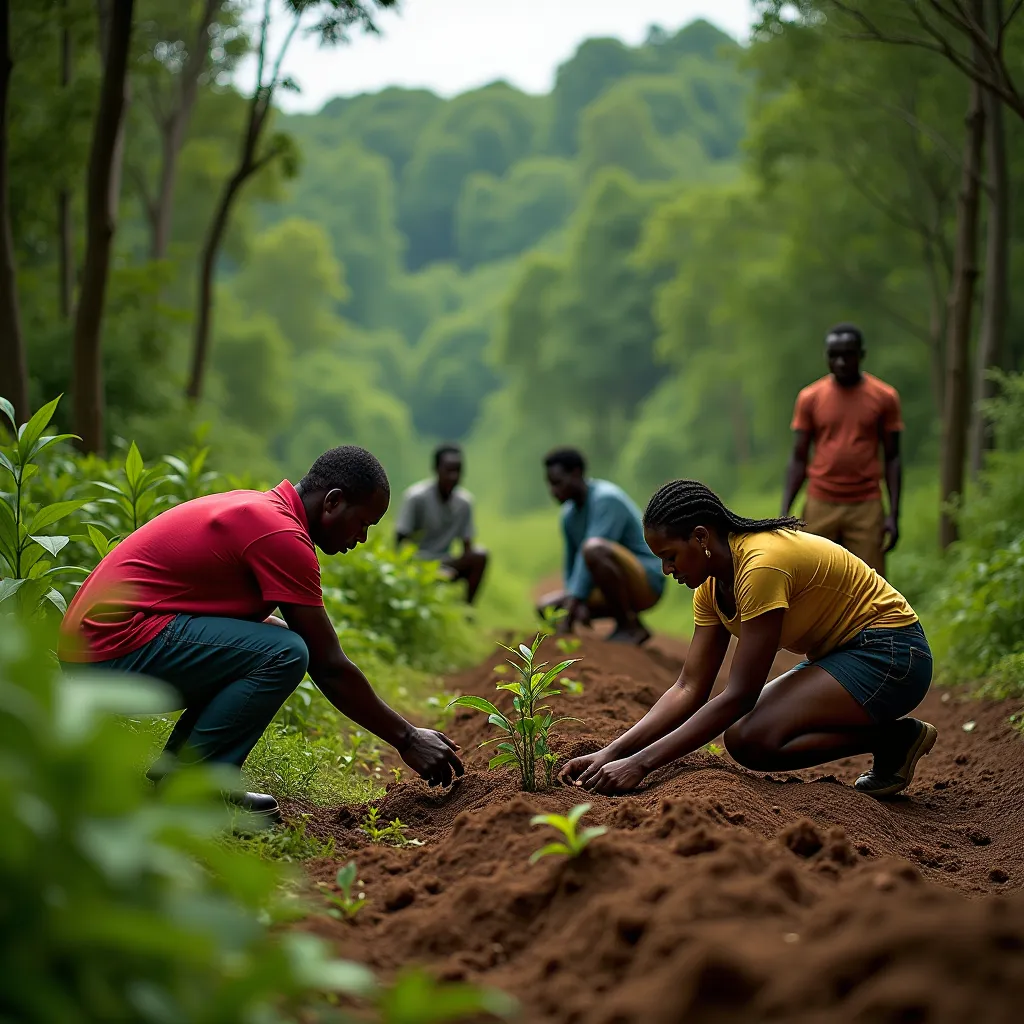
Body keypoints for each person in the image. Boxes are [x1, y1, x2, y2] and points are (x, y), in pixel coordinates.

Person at [58, 446, 464, 818]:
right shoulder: (281, 535)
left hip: (101, 646)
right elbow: (329, 666)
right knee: (285, 651)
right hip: (109, 652)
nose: (361, 537)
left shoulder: (263, 511)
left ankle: (183, 777)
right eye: (362, 523)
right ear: (333, 501)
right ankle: (196, 790)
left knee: (276, 640)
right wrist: (407, 737)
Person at [561, 480, 935, 799]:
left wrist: (641, 764)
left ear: (701, 537)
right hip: (842, 657)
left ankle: (891, 740)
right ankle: (895, 741)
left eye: (671, 556)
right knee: (747, 740)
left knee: (750, 733)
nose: (666, 569)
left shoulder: (760, 566)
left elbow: (740, 695)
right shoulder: (711, 590)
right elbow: (689, 686)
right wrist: (611, 753)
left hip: (892, 655)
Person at [781, 323, 902, 577]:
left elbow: (892, 457)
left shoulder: (884, 397)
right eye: (833, 355)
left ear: (861, 355)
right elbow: (799, 456)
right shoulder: (810, 398)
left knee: (870, 582)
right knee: (812, 579)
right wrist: (784, 511)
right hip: (820, 501)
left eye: (848, 354)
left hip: (866, 504)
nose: (841, 362)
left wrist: (893, 515)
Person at [538, 447, 664, 646]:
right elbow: (573, 566)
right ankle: (634, 624)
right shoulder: (569, 515)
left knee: (593, 549)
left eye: (558, 483)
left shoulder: (606, 499)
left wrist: (572, 608)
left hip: (645, 581)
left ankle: (627, 626)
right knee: (546, 608)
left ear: (576, 473)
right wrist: (574, 603)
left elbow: (591, 554)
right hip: (609, 586)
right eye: (550, 485)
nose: (553, 491)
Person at [395, 444, 488, 605]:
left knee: (480, 555)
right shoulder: (416, 497)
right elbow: (401, 540)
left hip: (445, 561)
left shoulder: (464, 503)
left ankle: (467, 609)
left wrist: (456, 567)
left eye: (458, 471)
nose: (454, 476)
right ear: (436, 469)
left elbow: (467, 546)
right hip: (419, 562)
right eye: (449, 470)